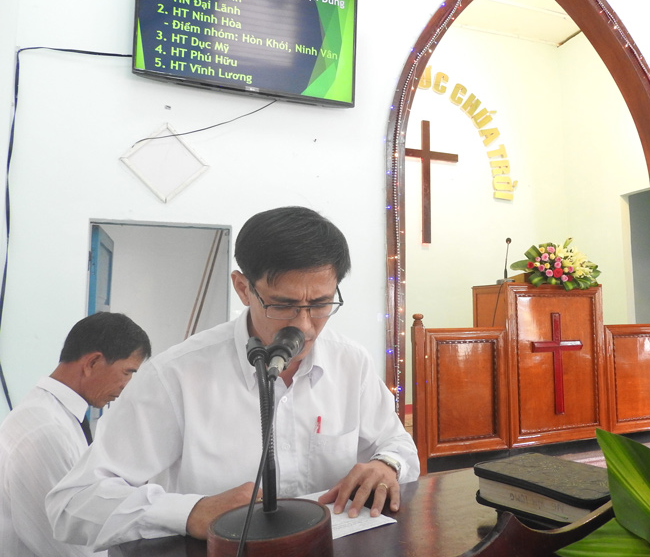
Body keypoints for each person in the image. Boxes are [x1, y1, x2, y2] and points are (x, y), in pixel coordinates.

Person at [47, 206, 419, 550]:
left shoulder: (351, 362)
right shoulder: (176, 376)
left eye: (321, 304)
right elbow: (72, 505)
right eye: (283, 305)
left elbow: (398, 445)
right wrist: (192, 512)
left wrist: (386, 464)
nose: (305, 326)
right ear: (243, 288)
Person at [0, 311, 151, 557]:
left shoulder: (59, 416)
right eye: (127, 372)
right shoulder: (45, 431)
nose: (126, 386)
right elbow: (63, 541)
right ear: (93, 363)